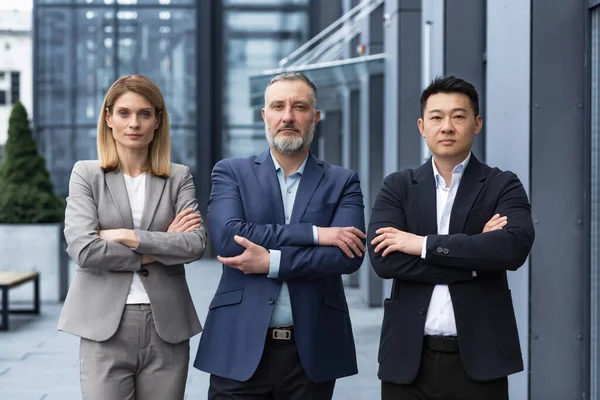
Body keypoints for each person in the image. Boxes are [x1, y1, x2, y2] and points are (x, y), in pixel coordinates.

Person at [194, 72, 366, 399]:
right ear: (265, 115)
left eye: (299, 107)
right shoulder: (231, 172)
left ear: (315, 117)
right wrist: (316, 234)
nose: (288, 116)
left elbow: (347, 255)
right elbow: (230, 238)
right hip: (238, 345)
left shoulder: (343, 181)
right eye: (278, 106)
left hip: (311, 349)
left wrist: (271, 261)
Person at [367, 76, 535, 400]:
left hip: (481, 360)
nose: (447, 126)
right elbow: (383, 260)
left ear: (477, 124)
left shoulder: (502, 185)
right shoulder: (398, 187)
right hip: (408, 361)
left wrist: (421, 245)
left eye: (458, 116)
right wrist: (474, 260)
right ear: (421, 126)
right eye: (436, 117)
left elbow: (512, 248)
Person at [58, 74, 206, 400]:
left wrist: (126, 236)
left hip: (166, 324)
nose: (134, 123)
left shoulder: (178, 176)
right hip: (104, 325)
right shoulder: (86, 174)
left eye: (144, 113)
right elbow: (83, 249)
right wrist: (161, 245)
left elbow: (195, 244)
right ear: (108, 118)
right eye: (124, 113)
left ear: (157, 120)